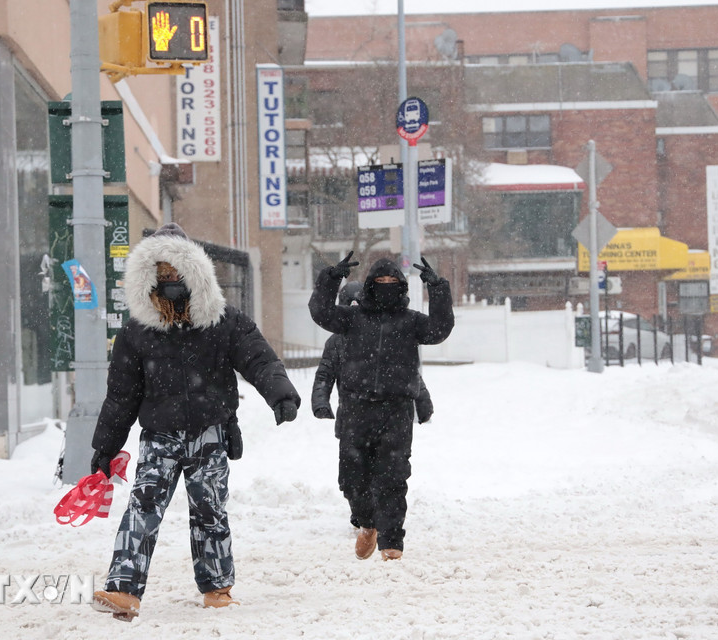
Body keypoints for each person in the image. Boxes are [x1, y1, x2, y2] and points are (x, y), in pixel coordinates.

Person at [89, 223, 300, 621]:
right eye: (161, 274)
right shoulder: (137, 332)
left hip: (210, 433)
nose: (170, 281)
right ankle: (123, 591)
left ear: (194, 273)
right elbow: (121, 395)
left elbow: (259, 358)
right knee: (143, 507)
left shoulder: (223, 321)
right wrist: (106, 445)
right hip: (159, 437)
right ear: (147, 279)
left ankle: (218, 588)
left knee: (210, 510)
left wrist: (281, 393)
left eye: (176, 273)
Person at [308, 252, 453, 561]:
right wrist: (331, 278)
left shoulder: (411, 322)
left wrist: (437, 288)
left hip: (395, 411)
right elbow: (320, 312)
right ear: (370, 286)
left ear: (401, 287)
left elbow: (440, 329)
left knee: (393, 477)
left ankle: (392, 543)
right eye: (379, 281)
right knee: (351, 479)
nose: (386, 286)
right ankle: (367, 524)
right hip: (356, 411)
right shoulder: (352, 319)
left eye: (392, 281)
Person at [311, 281, 434, 531]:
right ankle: (362, 512)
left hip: (386, 416)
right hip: (351, 418)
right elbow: (324, 375)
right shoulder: (335, 343)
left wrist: (423, 402)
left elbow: (408, 375)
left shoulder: (384, 335)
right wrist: (320, 401)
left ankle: (380, 514)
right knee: (354, 473)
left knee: (385, 468)